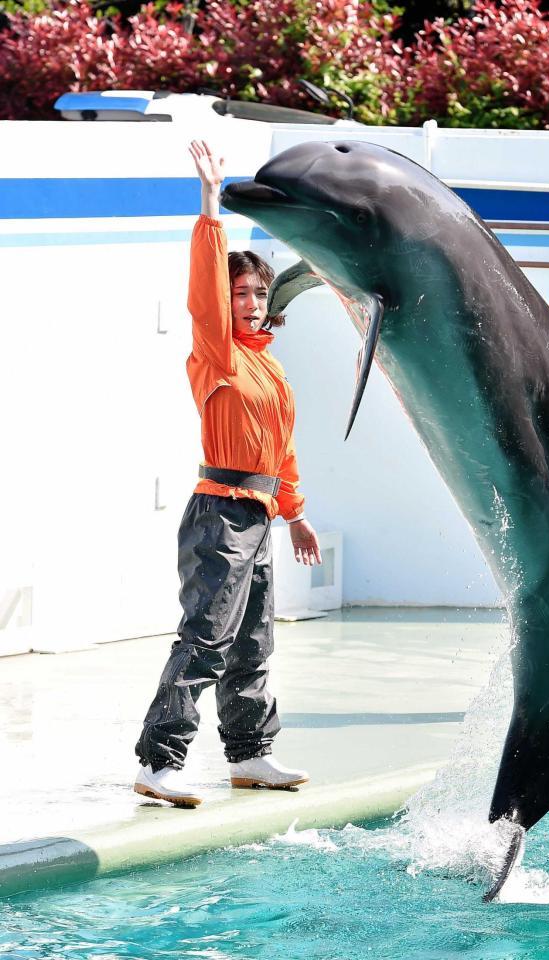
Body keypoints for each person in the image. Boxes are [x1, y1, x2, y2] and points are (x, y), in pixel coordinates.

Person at [134, 140, 322, 807]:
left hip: (261, 514)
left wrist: (295, 514)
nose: (247, 302)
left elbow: (283, 447)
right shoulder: (215, 354)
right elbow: (203, 294)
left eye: (258, 293)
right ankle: (159, 763)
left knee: (252, 642)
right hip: (220, 512)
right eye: (238, 292)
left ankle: (251, 756)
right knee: (207, 638)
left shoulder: (267, 366)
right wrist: (211, 206)